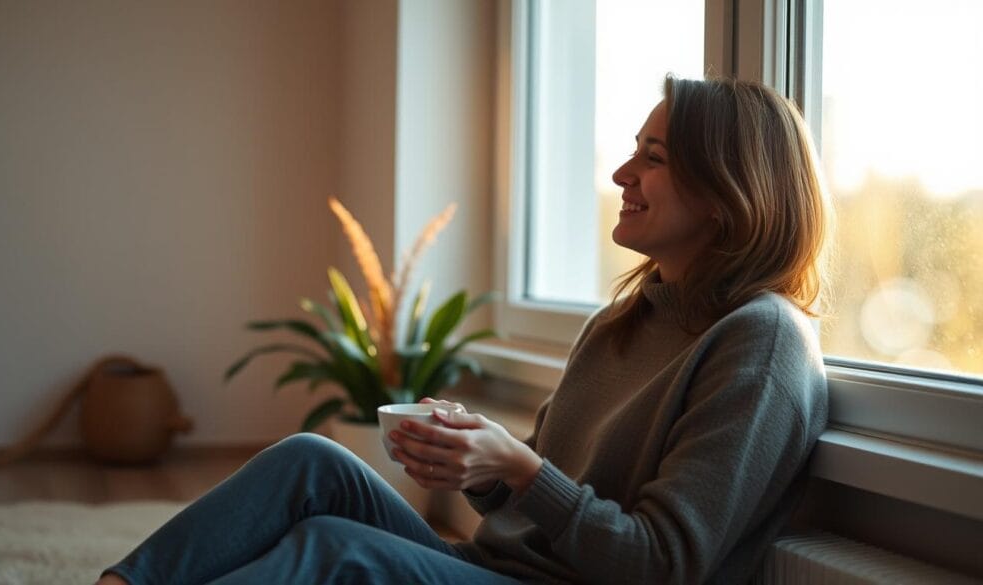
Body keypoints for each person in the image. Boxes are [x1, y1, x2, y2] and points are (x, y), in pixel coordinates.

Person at [97, 75, 832, 585]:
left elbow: (662, 564)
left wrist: (517, 467)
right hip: (497, 568)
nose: (619, 172)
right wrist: (482, 467)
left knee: (333, 547)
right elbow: (546, 495)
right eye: (633, 149)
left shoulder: (760, 341)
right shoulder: (624, 320)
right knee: (310, 461)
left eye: (653, 157)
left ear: (728, 191)